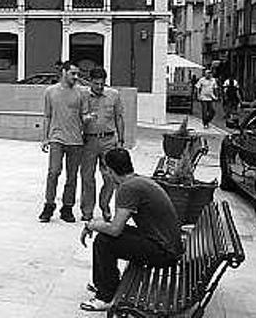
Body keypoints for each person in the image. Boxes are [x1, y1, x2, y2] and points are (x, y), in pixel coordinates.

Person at [78, 148, 182, 312]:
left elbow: (114, 230)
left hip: (164, 252)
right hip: (167, 244)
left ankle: (105, 296)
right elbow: (118, 225)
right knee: (107, 235)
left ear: (110, 170)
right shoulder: (138, 181)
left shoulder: (127, 188)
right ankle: (105, 282)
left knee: (104, 241)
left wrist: (91, 225)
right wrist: (98, 224)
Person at [39, 61, 92, 223]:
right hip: (56, 138)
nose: (76, 77)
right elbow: (47, 116)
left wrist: (88, 119)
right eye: (73, 73)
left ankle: (67, 207)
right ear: (64, 72)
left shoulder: (82, 93)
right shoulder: (50, 92)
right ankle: (49, 205)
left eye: (77, 74)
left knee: (72, 176)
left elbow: (84, 115)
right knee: (53, 172)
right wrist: (45, 137)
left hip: (75, 140)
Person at [80, 67, 125, 223]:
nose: (99, 87)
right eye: (96, 83)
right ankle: (87, 211)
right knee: (87, 177)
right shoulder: (83, 96)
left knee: (110, 177)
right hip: (89, 141)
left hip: (108, 141)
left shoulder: (114, 95)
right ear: (90, 81)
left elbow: (118, 117)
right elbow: (77, 117)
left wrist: (121, 140)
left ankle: (105, 205)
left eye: (102, 83)